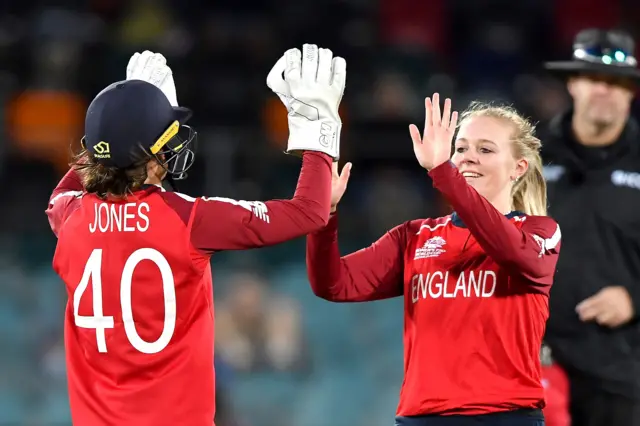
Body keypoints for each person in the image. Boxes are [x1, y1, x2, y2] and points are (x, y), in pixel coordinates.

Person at [45, 44, 346, 426]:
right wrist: (318, 129)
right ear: (152, 161)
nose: (173, 146)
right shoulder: (188, 219)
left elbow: (66, 190)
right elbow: (310, 211)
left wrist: (123, 120)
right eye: (165, 139)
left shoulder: (69, 217)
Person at [304, 94, 561, 426]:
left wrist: (443, 173)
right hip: (423, 418)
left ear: (518, 168)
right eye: (461, 149)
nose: (468, 159)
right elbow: (333, 283)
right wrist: (325, 219)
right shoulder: (415, 237)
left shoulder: (540, 232)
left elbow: (511, 250)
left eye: (485, 149)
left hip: (505, 417)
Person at [541, 28, 640, 426]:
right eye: (594, 78)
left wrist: (635, 298)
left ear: (632, 92)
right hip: (534, 361)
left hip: (621, 367)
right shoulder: (529, 155)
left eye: (617, 82)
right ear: (573, 83)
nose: (605, 90)